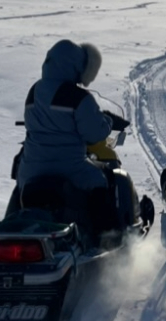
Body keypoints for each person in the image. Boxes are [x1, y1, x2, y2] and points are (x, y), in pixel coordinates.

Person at [15, 39, 127, 237]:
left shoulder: (34, 91)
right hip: (69, 168)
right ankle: (108, 238)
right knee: (102, 181)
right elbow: (94, 135)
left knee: (21, 189)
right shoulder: (78, 97)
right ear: (76, 66)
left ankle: (15, 223)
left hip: (31, 170)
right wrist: (108, 122)